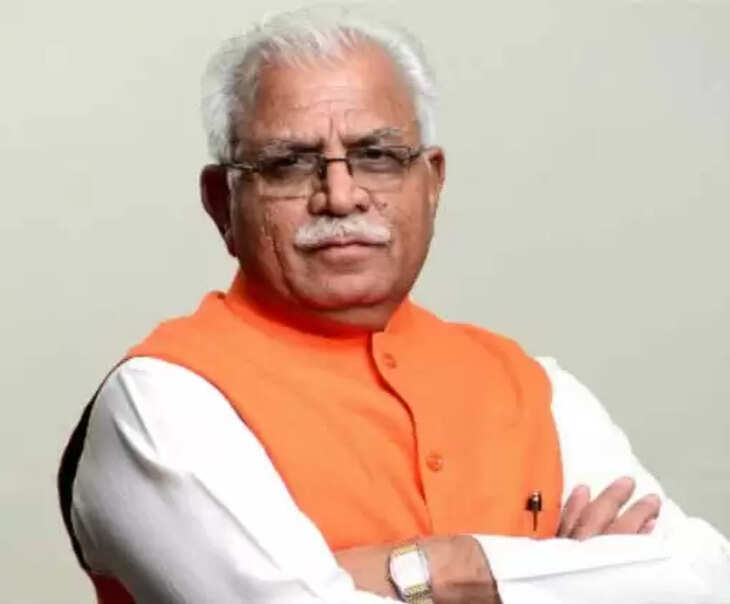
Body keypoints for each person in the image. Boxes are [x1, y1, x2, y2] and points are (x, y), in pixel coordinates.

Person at [58, 6, 730, 604]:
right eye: (289, 163)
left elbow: (707, 581)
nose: (340, 195)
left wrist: (451, 568)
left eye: (377, 155)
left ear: (431, 182)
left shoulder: (534, 387)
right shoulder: (162, 401)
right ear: (221, 204)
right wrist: (569, 578)